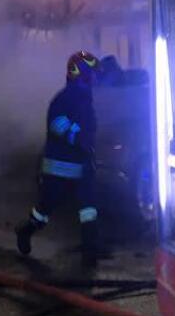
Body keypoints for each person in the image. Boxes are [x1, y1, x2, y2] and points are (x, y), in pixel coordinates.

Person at [15, 50, 111, 266]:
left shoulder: (85, 99)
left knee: (89, 208)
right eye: (92, 75)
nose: (95, 79)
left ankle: (90, 250)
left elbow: (89, 128)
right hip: (59, 167)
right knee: (45, 209)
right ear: (81, 75)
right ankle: (26, 230)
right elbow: (57, 123)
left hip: (81, 165)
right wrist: (78, 137)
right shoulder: (64, 99)